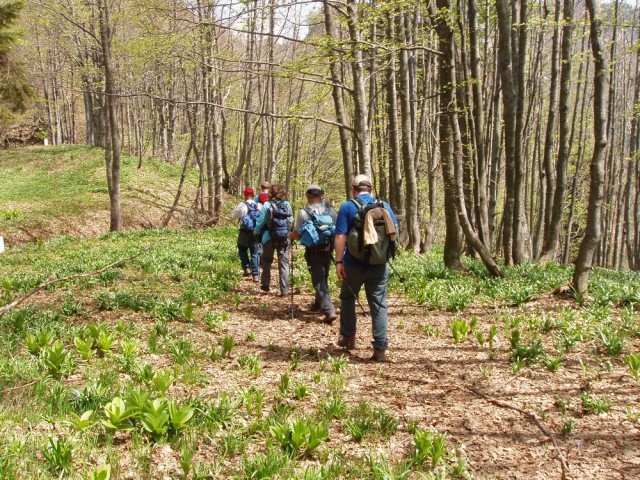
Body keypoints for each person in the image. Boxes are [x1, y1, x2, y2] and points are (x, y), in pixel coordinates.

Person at [333, 174, 399, 362]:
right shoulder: (384, 206)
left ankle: (348, 336)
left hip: (353, 264)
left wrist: (339, 262)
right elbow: (395, 229)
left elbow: (340, 236)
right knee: (378, 304)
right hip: (379, 265)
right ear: (370, 189)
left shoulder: (347, 207)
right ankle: (380, 348)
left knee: (347, 297)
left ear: (353, 189)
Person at [290, 184, 337, 324]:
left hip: (313, 251)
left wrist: (290, 236)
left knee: (318, 280)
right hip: (328, 249)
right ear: (321, 196)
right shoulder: (331, 212)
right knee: (324, 276)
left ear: (308, 196)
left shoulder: (304, 213)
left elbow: (297, 234)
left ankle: (329, 310)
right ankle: (318, 304)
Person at [254, 184, 293, 296]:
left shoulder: (267, 204)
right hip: (284, 238)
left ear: (270, 193)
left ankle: (265, 284)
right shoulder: (287, 205)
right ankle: (284, 290)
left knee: (267, 260)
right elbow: (291, 220)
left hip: (268, 236)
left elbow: (261, 221)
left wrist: (256, 231)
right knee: (284, 263)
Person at [231, 187, 261, 282]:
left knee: (242, 248)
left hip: (245, 231)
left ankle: (246, 268)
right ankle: (255, 275)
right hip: (255, 231)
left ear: (245, 195)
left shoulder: (242, 205)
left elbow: (233, 216)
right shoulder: (259, 205)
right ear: (253, 195)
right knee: (255, 252)